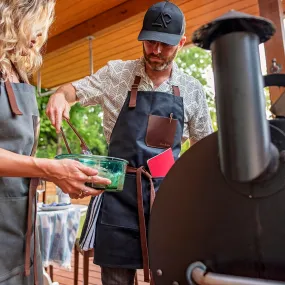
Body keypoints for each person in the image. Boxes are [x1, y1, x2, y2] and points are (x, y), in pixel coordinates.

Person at [46, 1, 213, 284]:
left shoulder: (192, 90)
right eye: (149, 42)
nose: (156, 51)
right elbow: (71, 90)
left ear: (182, 43)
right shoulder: (117, 74)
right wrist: (60, 97)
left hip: (167, 200)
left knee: (171, 277)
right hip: (118, 197)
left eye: (165, 44)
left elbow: (204, 150)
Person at [0, 1, 110, 284]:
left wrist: (60, 172)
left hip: (21, 223)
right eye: (34, 25)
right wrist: (49, 169)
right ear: (12, 18)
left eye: (43, 28)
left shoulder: (17, 71)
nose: (38, 37)